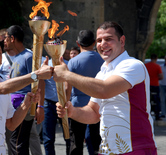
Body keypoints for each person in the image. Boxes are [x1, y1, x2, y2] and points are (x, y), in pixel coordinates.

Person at [54, 21, 157, 155]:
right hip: (107, 150)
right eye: (99, 40)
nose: (103, 44)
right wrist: (72, 111)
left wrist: (66, 75)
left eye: (108, 39)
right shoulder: (101, 73)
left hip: (135, 147)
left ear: (122, 40)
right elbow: (94, 113)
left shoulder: (133, 65)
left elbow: (104, 90)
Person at [0, 26, 43, 155]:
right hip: (14, 106)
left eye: (6, 38)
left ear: (12, 38)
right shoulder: (18, 57)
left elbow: (39, 80)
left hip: (24, 105)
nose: (4, 41)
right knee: (15, 143)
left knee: (18, 143)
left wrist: (40, 106)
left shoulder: (28, 57)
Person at [66, 30, 103, 155]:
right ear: (94, 42)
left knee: (76, 142)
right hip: (98, 105)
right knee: (96, 141)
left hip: (78, 106)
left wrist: (66, 103)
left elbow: (67, 87)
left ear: (78, 43)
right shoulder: (103, 60)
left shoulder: (73, 62)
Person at [40, 57, 70, 155]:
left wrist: (66, 100)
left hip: (64, 104)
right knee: (48, 138)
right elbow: (40, 84)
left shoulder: (66, 63)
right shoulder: (45, 64)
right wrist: (39, 106)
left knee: (68, 136)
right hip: (48, 103)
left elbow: (69, 84)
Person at [145, 54, 163, 120]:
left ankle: (147, 114)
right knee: (156, 100)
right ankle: (157, 115)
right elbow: (161, 76)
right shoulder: (157, 66)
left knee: (147, 100)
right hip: (155, 85)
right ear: (156, 58)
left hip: (147, 85)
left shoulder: (146, 65)